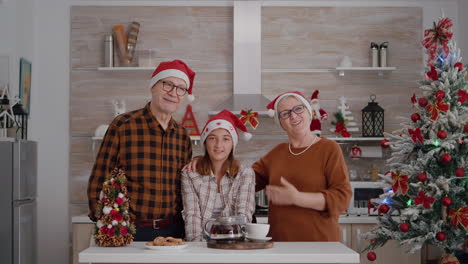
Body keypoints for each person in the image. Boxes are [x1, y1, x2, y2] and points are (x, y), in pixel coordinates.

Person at [87, 59, 195, 241]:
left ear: (184, 95)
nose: (173, 93)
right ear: (153, 86)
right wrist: (105, 223)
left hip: (173, 232)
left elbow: (183, 187)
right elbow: (100, 178)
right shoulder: (123, 125)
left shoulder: (182, 136)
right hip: (130, 231)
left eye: (180, 88)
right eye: (167, 84)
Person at [255, 91, 352, 241]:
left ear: (310, 112)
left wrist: (297, 198)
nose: (293, 116)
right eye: (285, 114)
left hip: (319, 246)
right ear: (280, 123)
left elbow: (342, 198)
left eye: (298, 109)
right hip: (280, 248)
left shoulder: (329, 149)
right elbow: (246, 180)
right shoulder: (276, 153)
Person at [181, 110, 256, 241]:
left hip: (234, 242)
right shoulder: (190, 174)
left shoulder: (245, 174)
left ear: (233, 144)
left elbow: (243, 215)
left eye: (226, 139)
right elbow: (192, 215)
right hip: (200, 244)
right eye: (212, 138)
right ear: (205, 142)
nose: (218, 145)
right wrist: (196, 248)